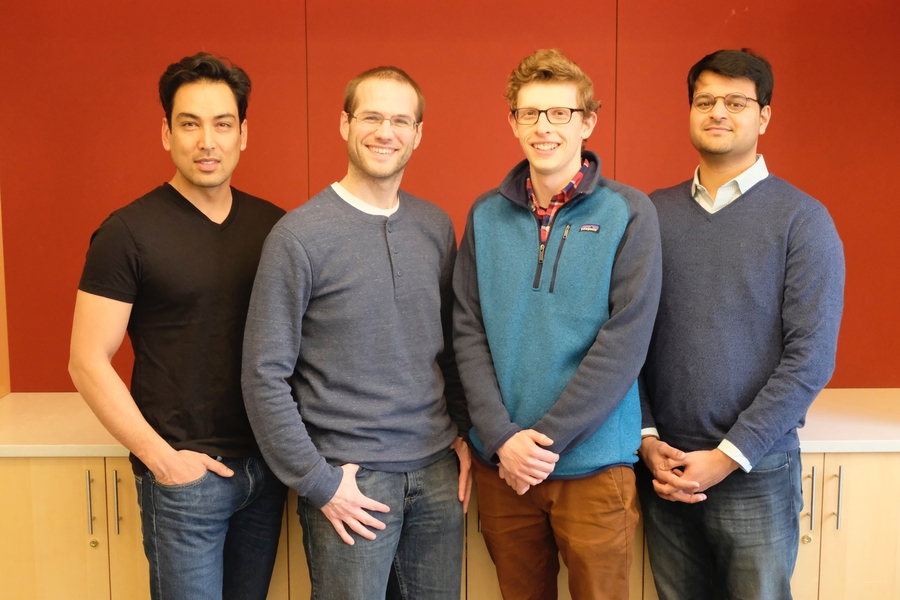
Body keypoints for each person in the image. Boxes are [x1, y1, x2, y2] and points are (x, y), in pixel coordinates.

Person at [241, 66, 471, 600]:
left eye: (399, 120)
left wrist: (462, 433)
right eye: (370, 116)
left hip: (437, 475)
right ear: (344, 124)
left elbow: (453, 349)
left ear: (418, 134)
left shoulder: (436, 227)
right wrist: (319, 483)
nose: (384, 132)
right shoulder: (298, 236)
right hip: (350, 480)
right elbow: (263, 375)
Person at [68, 52, 287, 600]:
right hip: (184, 476)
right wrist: (162, 460)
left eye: (222, 124)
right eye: (190, 124)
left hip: (265, 474)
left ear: (244, 134)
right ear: (166, 133)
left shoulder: (275, 227)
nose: (206, 141)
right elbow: (87, 360)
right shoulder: (127, 233)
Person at [453, 48, 662, 600]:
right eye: (530, 113)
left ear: (587, 122)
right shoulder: (483, 215)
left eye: (559, 113)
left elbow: (624, 343)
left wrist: (540, 443)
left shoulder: (630, 213)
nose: (543, 127)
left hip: (594, 469)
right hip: (504, 471)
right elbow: (468, 333)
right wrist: (502, 440)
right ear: (513, 122)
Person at [637, 48, 845, 600]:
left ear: (764, 116)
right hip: (667, 469)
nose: (718, 112)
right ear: (689, 112)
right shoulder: (651, 215)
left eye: (735, 101)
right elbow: (622, 337)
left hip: (757, 470)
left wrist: (727, 457)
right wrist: (646, 436)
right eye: (704, 100)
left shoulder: (803, 220)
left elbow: (811, 359)